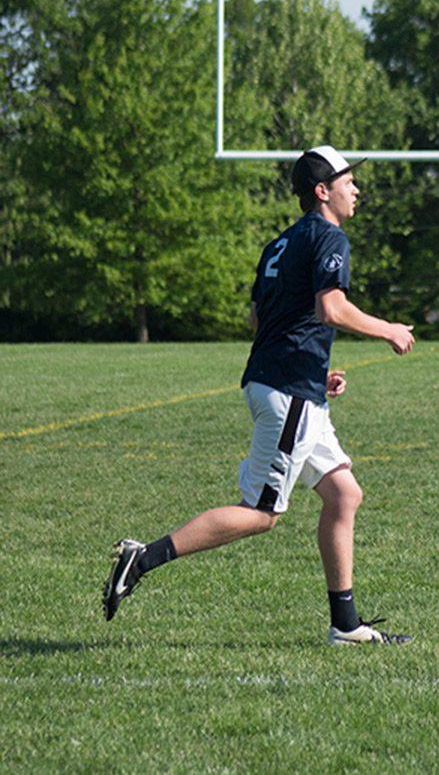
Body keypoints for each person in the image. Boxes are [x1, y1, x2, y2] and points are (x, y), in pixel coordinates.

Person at [103, 145, 415, 645]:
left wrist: (318, 366)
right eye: (347, 180)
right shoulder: (329, 236)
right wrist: (388, 329)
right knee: (262, 513)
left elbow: (261, 320)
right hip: (288, 391)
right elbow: (331, 307)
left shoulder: (279, 244)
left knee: (344, 494)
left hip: (286, 383)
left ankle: (346, 624)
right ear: (322, 191)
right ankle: (145, 557)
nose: (355, 188)